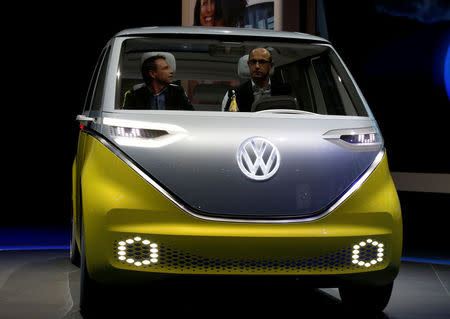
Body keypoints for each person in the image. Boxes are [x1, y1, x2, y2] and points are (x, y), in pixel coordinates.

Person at [223, 47, 291, 112]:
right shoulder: (236, 93)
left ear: (271, 66)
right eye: (253, 62)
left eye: (262, 62)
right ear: (249, 65)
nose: (257, 66)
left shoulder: (284, 91)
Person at [123, 55, 194, 110]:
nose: (171, 71)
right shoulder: (134, 95)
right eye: (166, 68)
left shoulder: (178, 92)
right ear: (152, 74)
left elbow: (190, 115)